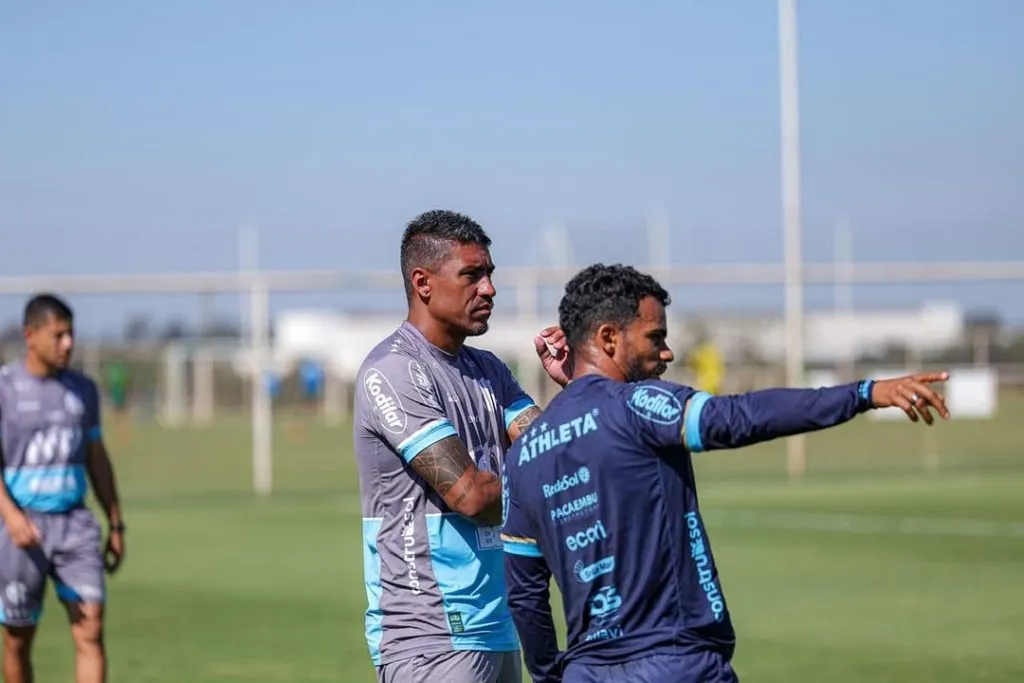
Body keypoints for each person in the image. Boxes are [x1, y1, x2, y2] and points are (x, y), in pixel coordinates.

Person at [500, 263, 950, 683]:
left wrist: (549, 675)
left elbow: (524, 593)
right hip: (675, 663)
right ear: (609, 337)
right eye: (655, 337)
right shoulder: (636, 406)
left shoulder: (523, 457)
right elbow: (737, 417)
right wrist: (864, 393)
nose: (667, 352)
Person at [353, 209, 571, 683]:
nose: (489, 288)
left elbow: (558, 459)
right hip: (428, 636)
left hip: (497, 623)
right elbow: (472, 497)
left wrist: (577, 389)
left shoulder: (490, 369)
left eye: (490, 274)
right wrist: (541, 486)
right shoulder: (394, 371)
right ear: (423, 282)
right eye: (472, 275)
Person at [0, 294, 126, 683]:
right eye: (58, 335)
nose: (68, 343)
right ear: (30, 336)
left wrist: (116, 524)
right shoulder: (4, 390)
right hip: (21, 532)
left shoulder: (82, 390)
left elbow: (96, 457)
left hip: (74, 525)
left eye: (70, 334)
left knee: (91, 628)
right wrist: (11, 516)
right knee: (18, 640)